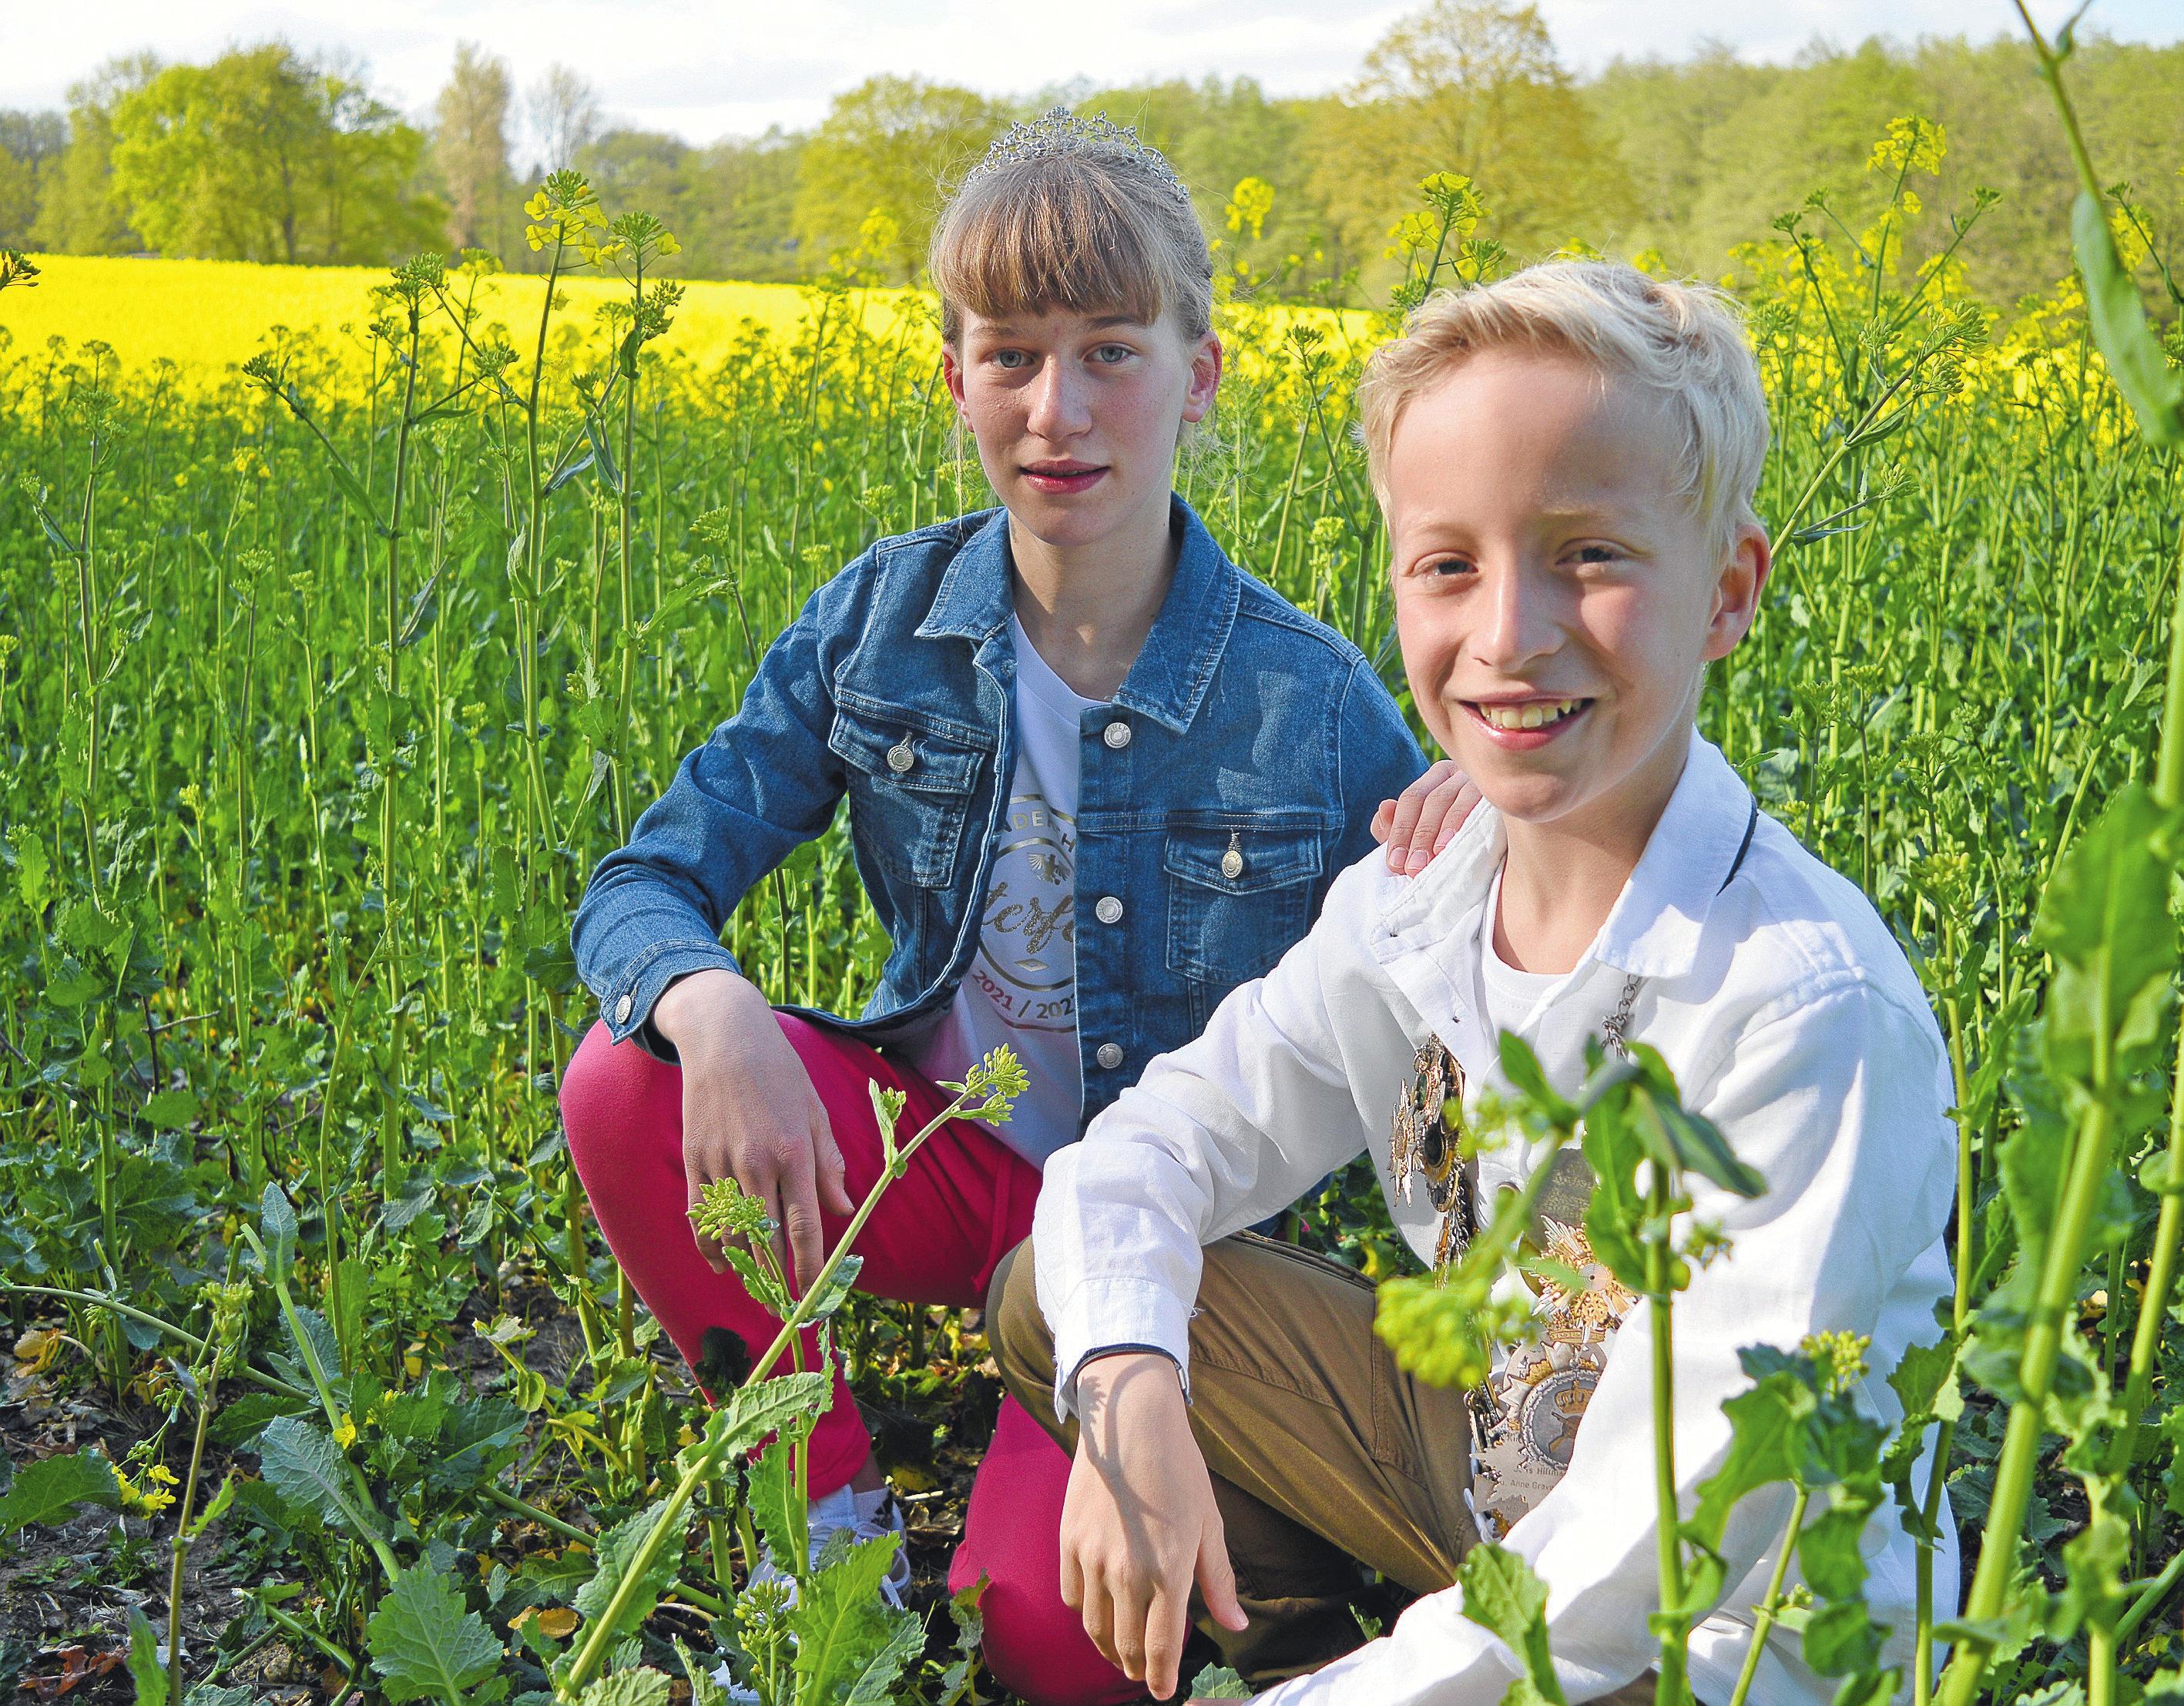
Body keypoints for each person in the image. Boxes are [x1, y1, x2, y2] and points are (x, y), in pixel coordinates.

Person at [559, 109, 1475, 1706]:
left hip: (1159, 1245)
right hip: (946, 1160)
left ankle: (1202, 1490)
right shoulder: (883, 623)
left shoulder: (1308, 702)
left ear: (1200, 373)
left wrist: (1487, 824)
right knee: (626, 1071)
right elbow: (649, 880)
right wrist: (713, 1010)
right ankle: (821, 1516)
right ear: (952, 374)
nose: (1057, 412)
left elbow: (1458, 999)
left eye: (1111, 353)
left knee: (1051, 1651)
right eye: (1011, 356)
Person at [993, 259, 1959, 1704]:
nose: (1508, 635)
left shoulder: (1803, 1009)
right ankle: (1320, 1643)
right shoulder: (1418, 903)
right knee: (1071, 1301)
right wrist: (1127, 1386)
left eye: (1590, 555)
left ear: (1729, 592)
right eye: (1450, 565)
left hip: (1734, 1628)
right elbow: (1156, 1146)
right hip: (1506, 1471)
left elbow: (1661, 1546)